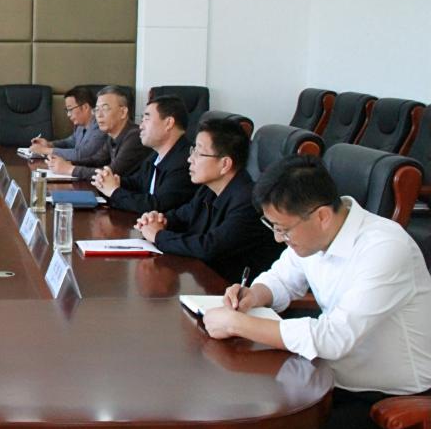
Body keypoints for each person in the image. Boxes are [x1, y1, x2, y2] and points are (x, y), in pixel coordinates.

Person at [202, 155, 431, 429]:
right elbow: (282, 278)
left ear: (321, 215)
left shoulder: (384, 248)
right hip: (336, 382)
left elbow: (333, 338)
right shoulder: (315, 233)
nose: (278, 238)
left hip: (396, 403)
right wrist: (254, 294)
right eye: (273, 226)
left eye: (283, 229)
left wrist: (237, 323)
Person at [135, 117, 281, 283]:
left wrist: (158, 236)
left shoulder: (248, 201)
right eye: (193, 150)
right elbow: (182, 216)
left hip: (234, 290)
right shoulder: (208, 190)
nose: (190, 159)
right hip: (206, 280)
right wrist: (157, 219)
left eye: (199, 153)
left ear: (225, 164)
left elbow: (209, 247)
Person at [92, 94, 197, 214]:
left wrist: (114, 191)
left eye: (146, 119)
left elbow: (157, 206)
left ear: (168, 123)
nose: (141, 126)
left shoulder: (186, 161)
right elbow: (138, 183)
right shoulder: (155, 156)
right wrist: (116, 181)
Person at [48, 85, 150, 178]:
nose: (99, 115)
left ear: (123, 112)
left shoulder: (135, 136)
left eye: (105, 108)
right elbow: (96, 160)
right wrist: (69, 163)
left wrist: (70, 169)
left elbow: (110, 173)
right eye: (96, 110)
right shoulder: (112, 136)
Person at [29, 85, 105, 161]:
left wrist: (45, 150)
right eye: (67, 110)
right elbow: (70, 142)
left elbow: (82, 155)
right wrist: (49, 144)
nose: (68, 114)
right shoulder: (80, 126)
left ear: (85, 107)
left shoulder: (101, 127)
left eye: (70, 109)